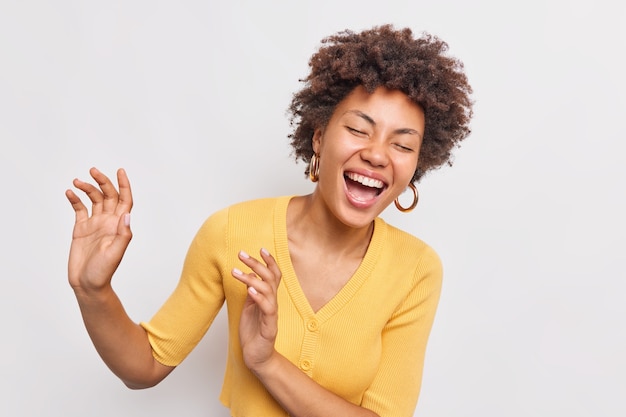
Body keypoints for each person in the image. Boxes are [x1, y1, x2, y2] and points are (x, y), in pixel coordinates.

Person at [65, 24, 473, 417]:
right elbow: (146, 366)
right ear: (319, 137)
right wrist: (93, 291)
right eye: (358, 129)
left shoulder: (416, 269)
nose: (378, 155)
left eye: (402, 144)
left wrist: (266, 362)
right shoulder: (232, 233)